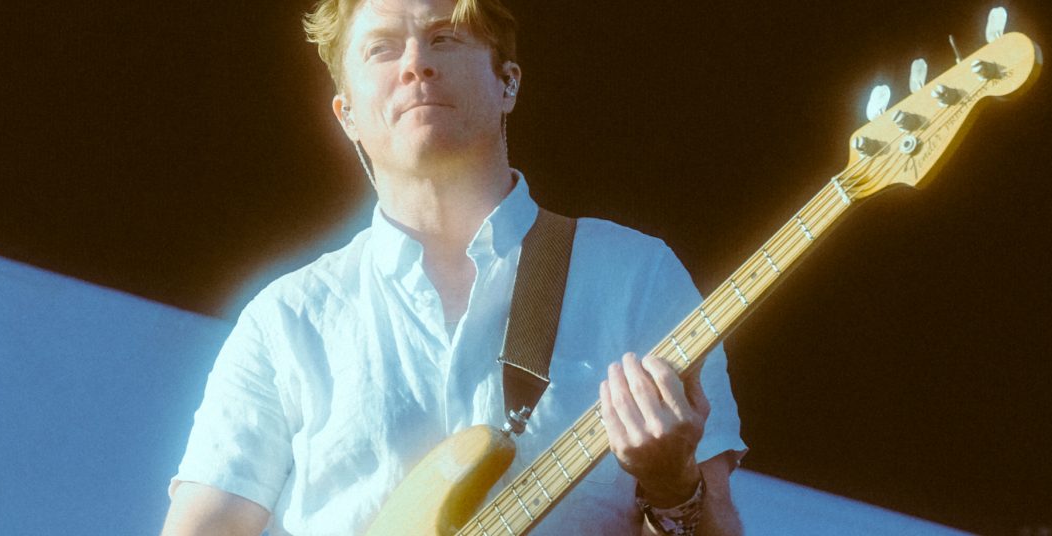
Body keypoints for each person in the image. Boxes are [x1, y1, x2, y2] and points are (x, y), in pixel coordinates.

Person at [161, 0, 747, 534]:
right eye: (381, 48)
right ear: (347, 115)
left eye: (444, 38)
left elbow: (717, 524)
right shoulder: (285, 319)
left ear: (508, 82)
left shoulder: (636, 276)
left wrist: (674, 487)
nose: (416, 64)